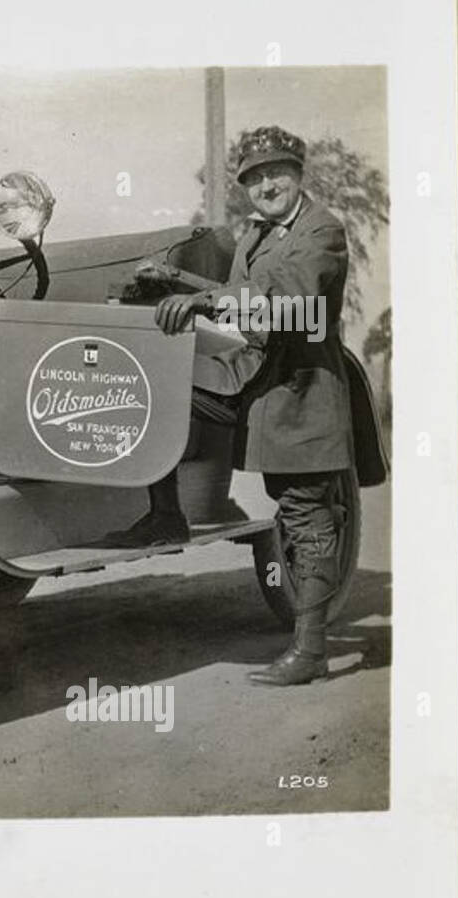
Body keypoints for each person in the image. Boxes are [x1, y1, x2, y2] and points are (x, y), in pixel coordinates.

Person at [102, 125, 355, 686]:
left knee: (306, 519)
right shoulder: (257, 235)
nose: (266, 185)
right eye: (255, 177)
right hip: (251, 379)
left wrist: (200, 297)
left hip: (300, 391)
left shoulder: (322, 230)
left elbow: (288, 302)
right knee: (155, 391)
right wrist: (173, 282)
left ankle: (311, 651)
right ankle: (166, 516)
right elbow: (237, 305)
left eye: (276, 173)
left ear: (298, 175)